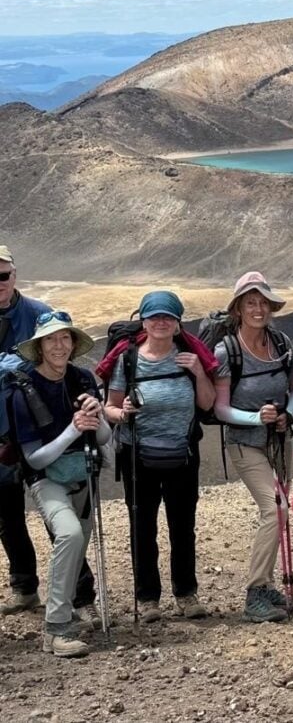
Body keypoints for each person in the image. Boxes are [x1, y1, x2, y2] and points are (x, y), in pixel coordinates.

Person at [104, 291, 216, 624]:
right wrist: (122, 414)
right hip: (137, 455)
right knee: (143, 527)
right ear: (144, 321)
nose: (161, 322)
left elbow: (208, 404)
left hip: (182, 452)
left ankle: (186, 594)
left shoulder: (188, 358)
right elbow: (110, 407)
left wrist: (198, 373)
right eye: (155, 317)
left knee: (183, 527)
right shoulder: (128, 359)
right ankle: (148, 598)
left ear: (178, 322)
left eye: (168, 317)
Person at [0, 244, 97, 625]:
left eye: (3, 275)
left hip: (41, 431)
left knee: (63, 518)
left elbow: (57, 359)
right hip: (5, 431)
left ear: (14, 275)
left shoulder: (38, 314)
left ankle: (81, 595)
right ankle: (25, 587)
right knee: (7, 512)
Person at [10, 311, 111, 657]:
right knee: (68, 535)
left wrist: (95, 416)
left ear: (73, 343)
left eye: (64, 338)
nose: (59, 345)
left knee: (76, 545)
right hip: (47, 479)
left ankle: (63, 617)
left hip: (84, 473)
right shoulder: (23, 389)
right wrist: (74, 427)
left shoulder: (83, 379)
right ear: (39, 346)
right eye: (51, 339)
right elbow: (34, 459)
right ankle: (55, 630)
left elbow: (105, 436)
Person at [213, 271, 293, 623]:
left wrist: (288, 415)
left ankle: (265, 588)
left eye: (263, 302)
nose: (258, 308)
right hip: (244, 444)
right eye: (251, 302)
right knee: (277, 508)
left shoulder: (281, 343)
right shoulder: (227, 351)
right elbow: (221, 408)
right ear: (238, 308)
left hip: (278, 442)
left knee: (279, 511)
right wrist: (257, 419)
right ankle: (255, 594)